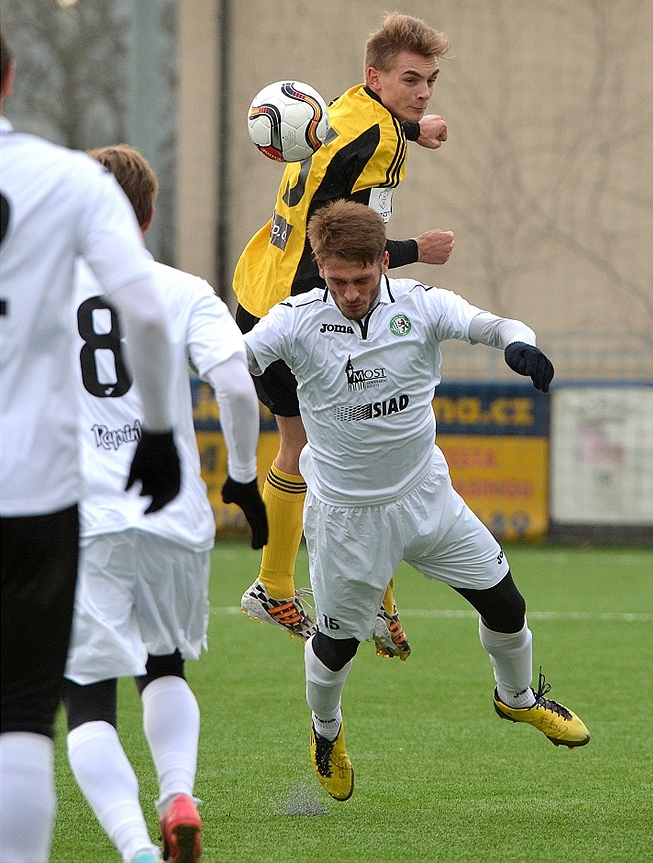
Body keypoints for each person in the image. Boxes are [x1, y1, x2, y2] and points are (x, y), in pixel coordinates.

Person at [243, 199, 590, 803]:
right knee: (336, 647)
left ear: (384, 261)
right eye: (337, 279)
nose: (350, 292)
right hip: (348, 519)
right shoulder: (294, 320)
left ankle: (518, 700)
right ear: (320, 266)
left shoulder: (422, 305)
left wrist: (519, 346)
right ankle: (327, 734)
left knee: (506, 605)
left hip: (427, 497)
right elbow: (228, 360)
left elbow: (495, 325)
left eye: (363, 278)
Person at [0, 32, 182, 863]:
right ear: (10, 76)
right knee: (26, 717)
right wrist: (156, 430)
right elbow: (143, 312)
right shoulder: (65, 178)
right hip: (36, 488)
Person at [62, 145, 267, 863]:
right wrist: (241, 474)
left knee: (86, 698)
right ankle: (178, 794)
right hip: (175, 512)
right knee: (165, 666)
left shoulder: (38, 289)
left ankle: (136, 849)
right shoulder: (183, 289)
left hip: (83, 518)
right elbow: (237, 387)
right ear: (148, 216)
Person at [234, 11, 454, 657]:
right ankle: (340, 599)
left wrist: (415, 126)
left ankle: (284, 587)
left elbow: (360, 139)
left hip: (259, 286)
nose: (422, 91)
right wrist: (419, 248)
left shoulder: (345, 107)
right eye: (411, 80)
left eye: (431, 81)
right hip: (302, 304)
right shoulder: (378, 140)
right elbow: (348, 240)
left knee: (311, 444)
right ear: (375, 76)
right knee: (352, 447)